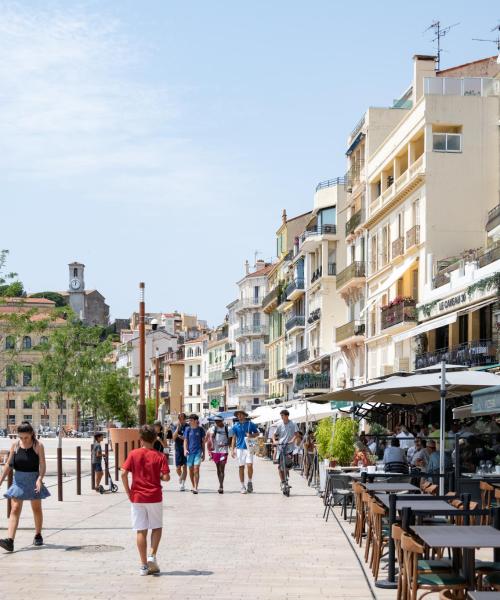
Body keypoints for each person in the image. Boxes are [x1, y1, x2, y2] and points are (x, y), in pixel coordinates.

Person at [121, 425, 170, 576]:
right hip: (154, 496)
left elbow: (123, 474)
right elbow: (166, 477)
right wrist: (160, 476)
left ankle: (143, 566)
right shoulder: (160, 456)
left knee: (141, 531)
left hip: (137, 497)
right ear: (155, 439)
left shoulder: (133, 454)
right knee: (156, 527)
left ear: (140, 439)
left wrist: (128, 492)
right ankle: (152, 555)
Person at [0, 421, 50, 552]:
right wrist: (0, 480)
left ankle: (38, 534)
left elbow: (43, 464)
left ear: (32, 434)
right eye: (21, 437)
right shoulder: (15, 445)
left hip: (34, 480)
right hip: (19, 481)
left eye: (26, 437)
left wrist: (40, 479)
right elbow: (9, 465)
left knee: (36, 508)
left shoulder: (38, 445)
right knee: (14, 508)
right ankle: (10, 541)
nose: (23, 440)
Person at [231, 409, 259, 494]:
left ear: (244, 415)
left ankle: (249, 481)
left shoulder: (250, 424)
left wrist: (251, 435)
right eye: (238, 415)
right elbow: (234, 437)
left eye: (240, 414)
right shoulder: (235, 426)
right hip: (240, 448)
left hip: (249, 447)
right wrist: (232, 450)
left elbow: (257, 433)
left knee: (250, 465)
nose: (239, 416)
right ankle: (242, 486)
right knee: (241, 467)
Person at [274, 410, 300, 489]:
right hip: (281, 448)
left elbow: (297, 434)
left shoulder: (293, 424)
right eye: (281, 415)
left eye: (282, 415)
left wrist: (293, 439)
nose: (281, 417)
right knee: (280, 466)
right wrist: (275, 441)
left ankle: (286, 479)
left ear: (287, 416)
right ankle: (283, 482)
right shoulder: (280, 425)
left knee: (287, 466)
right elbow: (274, 435)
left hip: (289, 448)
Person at [207, 415, 231, 494]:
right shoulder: (214, 428)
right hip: (215, 451)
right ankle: (220, 483)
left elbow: (230, 440)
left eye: (218, 421)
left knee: (222, 467)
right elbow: (210, 438)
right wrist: (211, 446)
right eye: (216, 421)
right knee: (218, 468)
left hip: (224, 451)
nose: (217, 422)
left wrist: (226, 444)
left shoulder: (227, 428)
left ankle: (221, 486)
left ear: (222, 421)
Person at [183, 414, 206, 494]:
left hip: (198, 452)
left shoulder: (201, 430)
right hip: (190, 453)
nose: (189, 421)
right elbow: (185, 440)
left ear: (196, 421)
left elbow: (203, 442)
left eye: (191, 420)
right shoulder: (187, 429)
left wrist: (204, 453)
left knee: (196, 469)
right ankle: (193, 485)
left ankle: (196, 487)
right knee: (191, 470)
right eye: (189, 420)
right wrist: (185, 450)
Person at [172, 413, 188, 491]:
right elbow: (173, 438)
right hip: (178, 449)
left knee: (185, 466)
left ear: (185, 419)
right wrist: (177, 428)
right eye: (179, 418)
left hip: (186, 449)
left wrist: (183, 438)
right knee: (178, 468)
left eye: (182, 418)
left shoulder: (188, 426)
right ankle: (181, 477)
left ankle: (183, 484)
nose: (180, 420)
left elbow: (188, 437)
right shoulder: (175, 426)